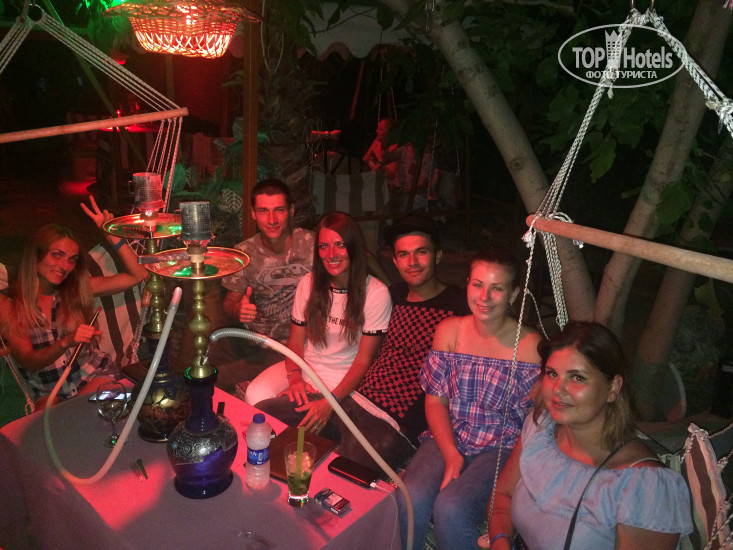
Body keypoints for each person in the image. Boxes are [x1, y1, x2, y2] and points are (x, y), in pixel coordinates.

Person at [482, 321, 693, 550]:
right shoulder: (540, 428)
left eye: (577, 378)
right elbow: (502, 495)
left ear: (613, 388)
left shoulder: (643, 487)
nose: (558, 389)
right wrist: (500, 541)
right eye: (552, 374)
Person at [396, 246, 543, 550]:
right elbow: (435, 401)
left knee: (451, 508)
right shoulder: (449, 331)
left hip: (501, 445)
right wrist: (451, 453)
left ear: (514, 294)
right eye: (477, 284)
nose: (484, 297)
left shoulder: (530, 346)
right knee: (410, 496)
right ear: (468, 284)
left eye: (497, 288)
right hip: (449, 432)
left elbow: (537, 421)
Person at [335, 214, 470, 472]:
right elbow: (361, 261)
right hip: (353, 400)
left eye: (421, 252)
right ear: (395, 261)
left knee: (345, 472)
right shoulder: (392, 296)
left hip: (395, 424)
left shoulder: (460, 305)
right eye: (404, 255)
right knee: (278, 420)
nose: (413, 262)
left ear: (438, 256)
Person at [249, 212, 392, 440]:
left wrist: (330, 401)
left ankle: (313, 437)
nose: (331, 254)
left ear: (354, 247)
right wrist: (295, 378)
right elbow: (296, 341)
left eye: (340, 245)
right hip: (306, 366)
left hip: (342, 379)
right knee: (255, 394)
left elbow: (364, 361)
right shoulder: (308, 283)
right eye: (324, 246)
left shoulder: (376, 292)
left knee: (305, 419)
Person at [3, 197, 148, 409]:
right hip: (48, 389)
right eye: (57, 255)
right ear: (36, 255)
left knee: (92, 411)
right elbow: (28, 361)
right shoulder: (11, 304)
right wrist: (65, 342)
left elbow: (138, 275)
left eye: (72, 259)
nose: (65, 266)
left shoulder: (74, 288)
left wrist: (111, 235)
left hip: (93, 375)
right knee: (47, 425)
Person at [215, 179, 314, 389]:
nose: (272, 220)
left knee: (219, 377)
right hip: (256, 341)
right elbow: (230, 300)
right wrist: (238, 309)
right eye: (263, 211)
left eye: (279, 210)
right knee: (205, 359)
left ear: (291, 211)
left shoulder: (313, 245)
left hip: (299, 347)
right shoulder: (244, 253)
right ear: (253, 213)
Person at [363, 118, 418, 214]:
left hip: (388, 187)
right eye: (378, 128)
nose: (377, 131)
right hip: (373, 182)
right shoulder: (377, 142)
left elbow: (391, 173)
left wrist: (379, 165)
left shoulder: (397, 148)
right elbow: (364, 161)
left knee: (377, 198)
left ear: (390, 133)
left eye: (381, 129)